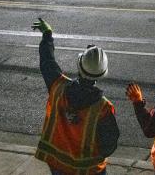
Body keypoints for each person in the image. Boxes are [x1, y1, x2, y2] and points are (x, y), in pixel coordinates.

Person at [32, 17, 119, 174]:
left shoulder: (57, 86)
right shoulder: (103, 108)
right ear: (101, 75)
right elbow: (109, 144)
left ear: (80, 66)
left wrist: (47, 33)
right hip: (89, 169)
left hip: (58, 164)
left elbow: (47, 60)